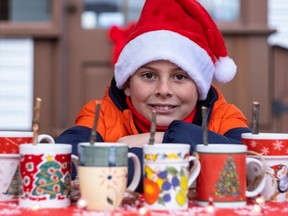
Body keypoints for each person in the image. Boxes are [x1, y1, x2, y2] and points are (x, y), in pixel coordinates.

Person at [56, 0, 251, 192]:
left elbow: (251, 166)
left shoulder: (224, 115)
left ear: (199, 87)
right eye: (149, 75)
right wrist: (189, 158)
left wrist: (165, 139)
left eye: (180, 76)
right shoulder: (102, 113)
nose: (163, 90)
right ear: (127, 84)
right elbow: (64, 161)